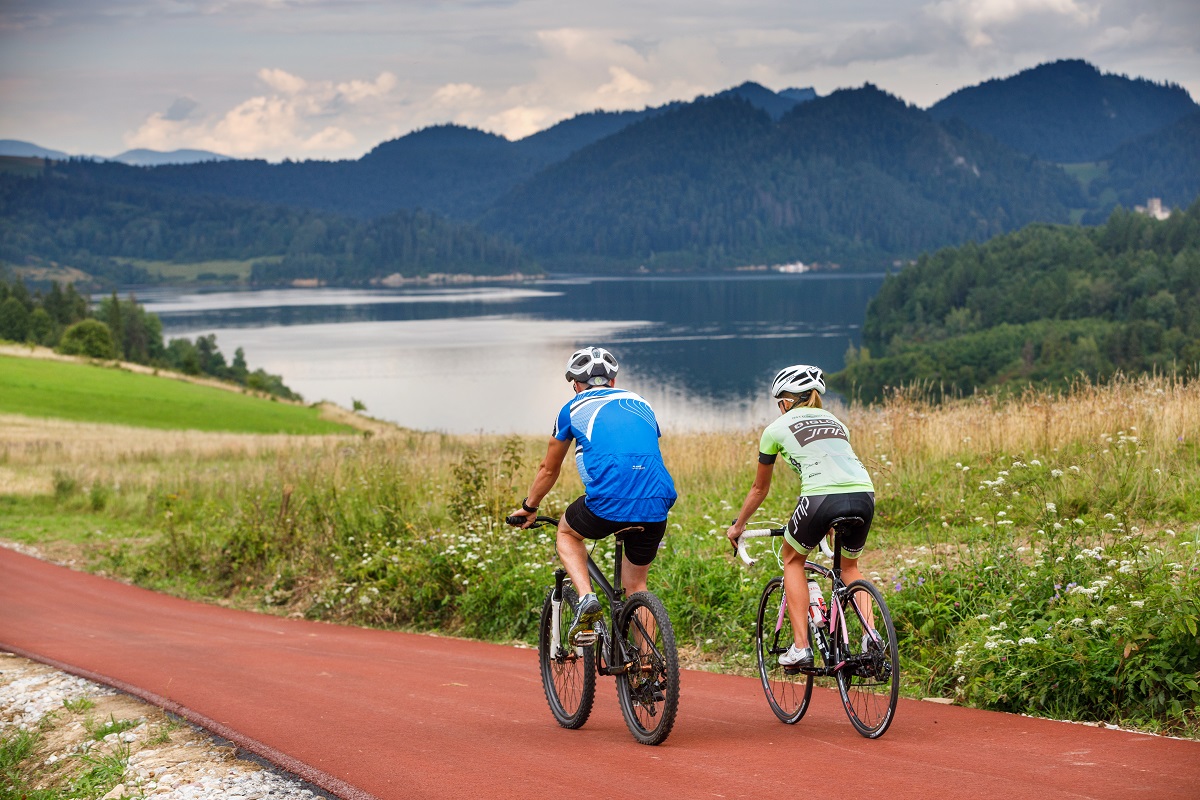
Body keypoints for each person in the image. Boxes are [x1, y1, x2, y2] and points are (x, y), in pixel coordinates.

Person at [510, 346, 677, 644]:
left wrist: (530, 506)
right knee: (637, 585)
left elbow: (549, 469)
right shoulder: (641, 402)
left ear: (576, 384)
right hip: (657, 500)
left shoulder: (572, 408)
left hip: (607, 502)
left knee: (567, 533)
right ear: (612, 381)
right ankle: (648, 674)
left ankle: (587, 599)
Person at [725, 364, 877, 667]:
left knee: (792, 559)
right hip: (864, 494)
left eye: (779, 401)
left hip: (820, 497)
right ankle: (871, 636)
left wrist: (738, 526)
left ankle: (800, 647)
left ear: (786, 401)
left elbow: (759, 489)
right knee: (850, 567)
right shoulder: (837, 422)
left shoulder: (775, 429)